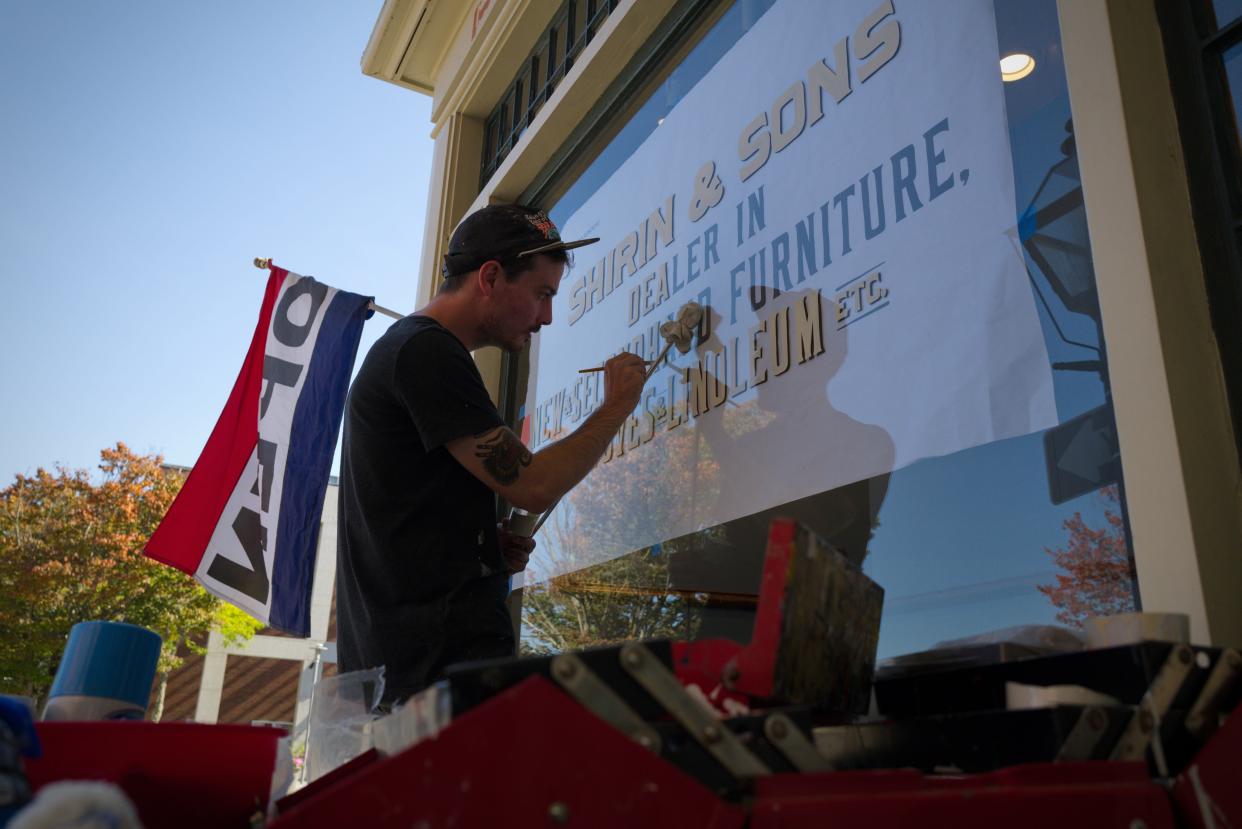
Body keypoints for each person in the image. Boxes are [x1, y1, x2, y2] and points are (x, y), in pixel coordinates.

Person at [336, 204, 647, 707]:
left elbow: (405, 512)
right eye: (542, 294)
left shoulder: (416, 351)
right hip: (431, 686)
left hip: (416, 678)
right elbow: (534, 485)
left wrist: (477, 545)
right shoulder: (425, 353)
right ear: (491, 277)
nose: (547, 317)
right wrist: (617, 406)